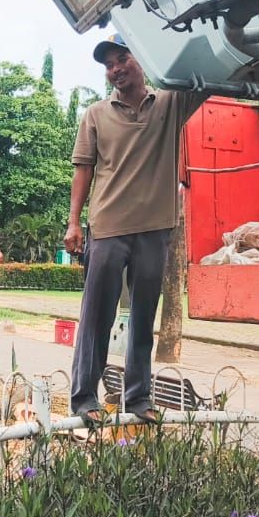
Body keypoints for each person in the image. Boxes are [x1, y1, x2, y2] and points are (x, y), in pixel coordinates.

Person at [64, 35, 205, 425]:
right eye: (109, 65)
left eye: (122, 58)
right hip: (108, 226)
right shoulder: (95, 114)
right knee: (97, 316)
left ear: (141, 58)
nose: (116, 69)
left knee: (144, 316)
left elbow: (203, 77)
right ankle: (84, 398)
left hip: (155, 228)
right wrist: (74, 222)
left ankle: (139, 398)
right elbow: (83, 169)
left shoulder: (170, 104)